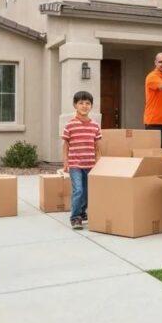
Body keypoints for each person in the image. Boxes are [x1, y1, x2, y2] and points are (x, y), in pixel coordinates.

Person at [62, 91, 102, 230]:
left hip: (90, 164)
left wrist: (99, 161)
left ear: (91, 106)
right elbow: (66, 144)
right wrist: (66, 161)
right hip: (75, 164)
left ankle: (82, 211)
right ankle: (75, 217)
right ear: (75, 105)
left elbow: (97, 146)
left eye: (87, 103)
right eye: (81, 103)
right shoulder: (70, 125)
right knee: (78, 190)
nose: (84, 106)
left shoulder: (95, 126)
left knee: (87, 191)